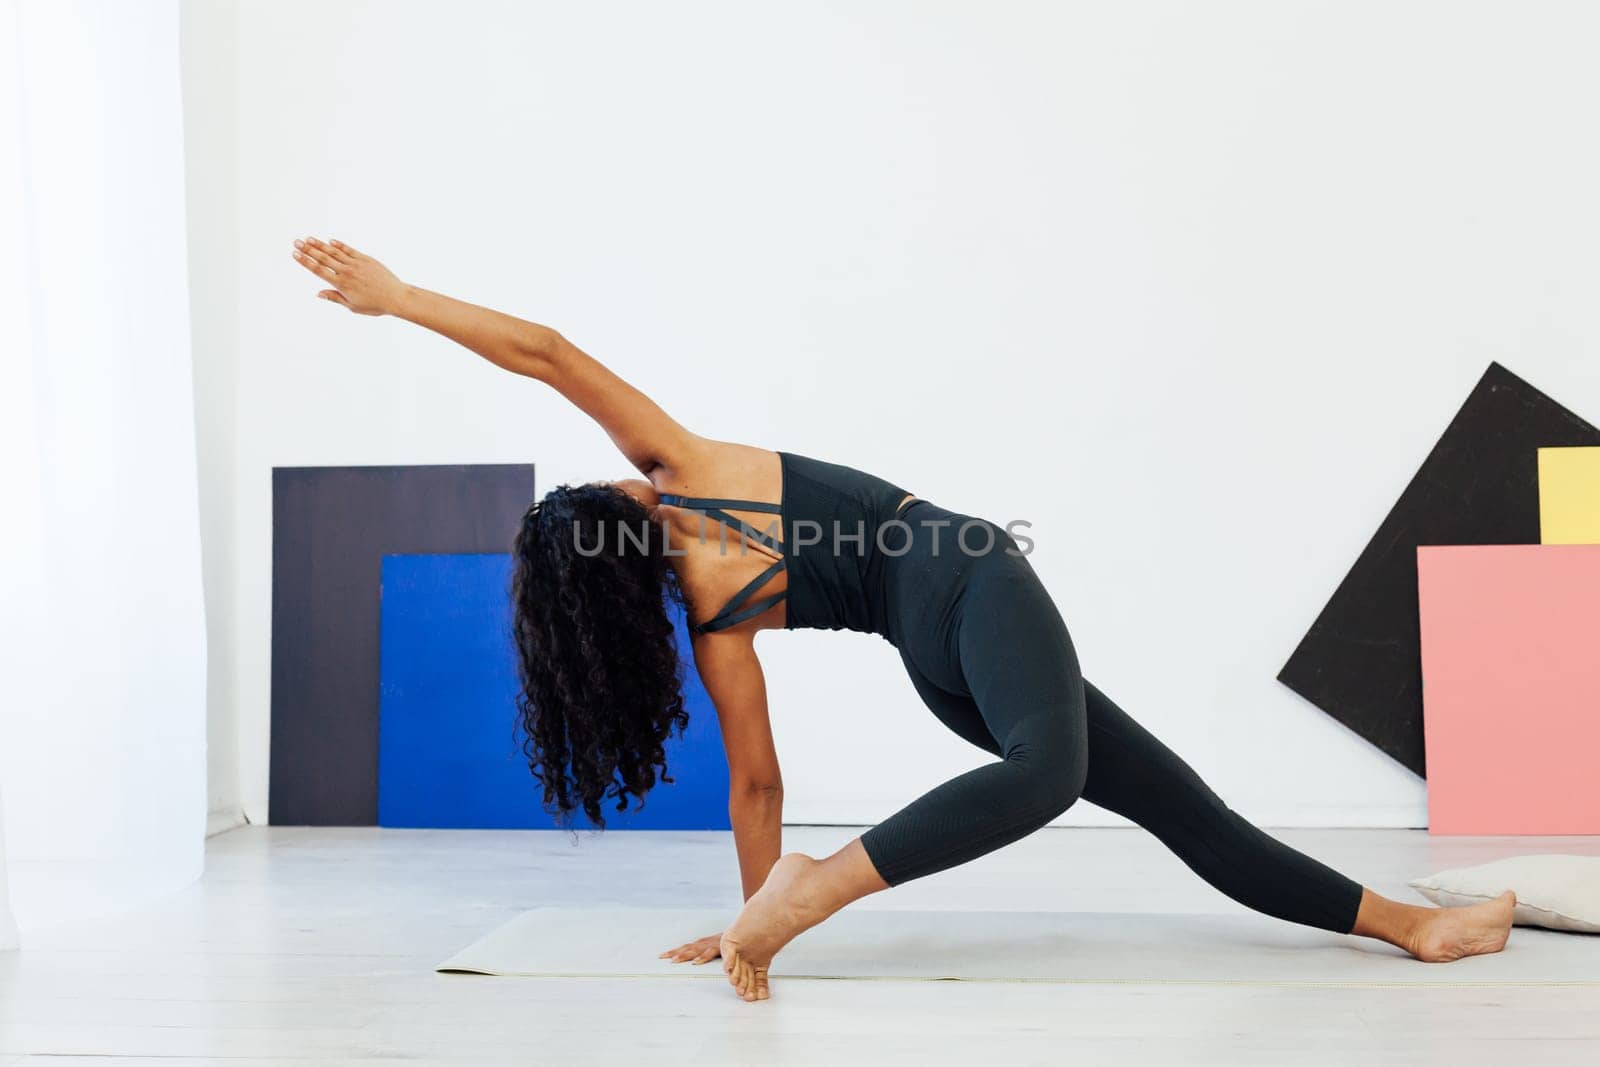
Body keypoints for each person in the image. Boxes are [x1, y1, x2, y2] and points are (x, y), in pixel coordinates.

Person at [292, 236, 1517, 1003]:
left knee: (1167, 800)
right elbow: (550, 351)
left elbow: (756, 784)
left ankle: (1409, 925)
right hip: (970, 579)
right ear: (614, 516)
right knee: (1053, 773)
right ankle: (830, 885)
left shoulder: (713, 624)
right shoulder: (680, 463)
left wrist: (746, 910)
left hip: (935, 662)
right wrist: (399, 297)